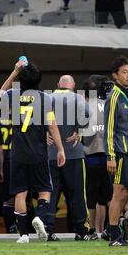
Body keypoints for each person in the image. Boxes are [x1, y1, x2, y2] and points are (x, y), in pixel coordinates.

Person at [0, 58, 66, 243]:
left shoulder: (13, 94)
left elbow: (1, 91)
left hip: (18, 153)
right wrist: (60, 149)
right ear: (39, 80)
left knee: (20, 193)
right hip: (38, 153)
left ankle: (23, 235)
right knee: (45, 190)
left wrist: (15, 71)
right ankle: (40, 217)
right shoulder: (46, 98)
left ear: (22, 79)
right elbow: (52, 127)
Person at [46, 75, 91, 241]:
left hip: (51, 154)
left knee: (50, 193)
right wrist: (79, 129)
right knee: (78, 194)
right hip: (73, 154)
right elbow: (87, 114)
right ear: (72, 85)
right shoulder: (77, 98)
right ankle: (80, 230)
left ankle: (48, 230)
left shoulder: (48, 98)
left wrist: (45, 132)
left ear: (58, 84)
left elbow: (32, 118)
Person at [104, 56, 128, 246]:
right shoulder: (114, 97)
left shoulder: (127, 96)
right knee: (118, 194)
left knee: (127, 194)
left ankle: (117, 231)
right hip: (120, 154)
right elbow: (109, 129)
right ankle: (113, 235)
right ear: (115, 76)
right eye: (125, 72)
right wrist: (110, 156)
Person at [82, 75, 112, 238]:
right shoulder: (107, 104)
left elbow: (81, 131)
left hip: (91, 156)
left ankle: (92, 230)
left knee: (91, 196)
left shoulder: (85, 107)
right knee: (107, 196)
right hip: (108, 157)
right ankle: (111, 228)